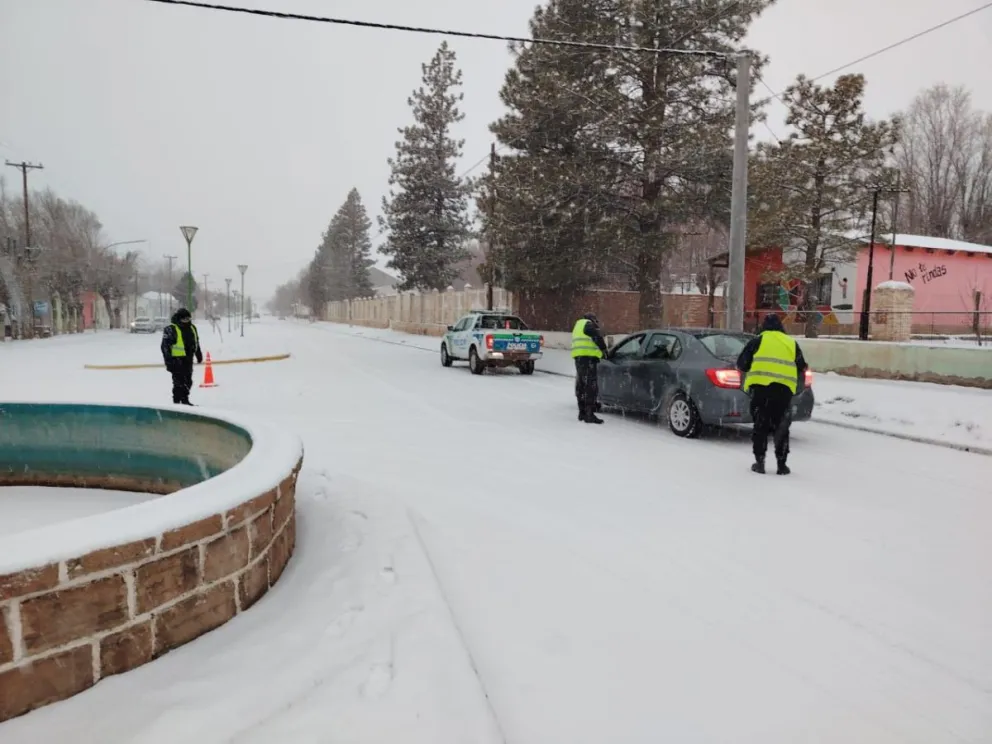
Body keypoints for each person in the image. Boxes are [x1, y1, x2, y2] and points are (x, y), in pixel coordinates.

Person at [736, 314, 807, 475]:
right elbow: (802, 366)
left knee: (760, 426)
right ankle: (782, 465)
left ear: (764, 326)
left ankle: (759, 462)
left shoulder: (757, 341)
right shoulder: (791, 343)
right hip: (783, 392)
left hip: (760, 390)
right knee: (781, 427)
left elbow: (742, 364)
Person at [571, 312, 609, 424]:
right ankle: (589, 414)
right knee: (591, 387)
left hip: (579, 358)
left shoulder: (578, 325)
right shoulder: (587, 324)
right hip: (588, 359)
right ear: (592, 320)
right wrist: (603, 349)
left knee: (582, 385)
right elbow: (596, 336)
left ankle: (582, 413)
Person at [161, 308, 203, 405]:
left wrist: (198, 354)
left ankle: (185, 400)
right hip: (176, 360)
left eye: (188, 319)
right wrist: (169, 362)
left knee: (188, 381)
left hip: (188, 359)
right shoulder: (171, 329)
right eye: (184, 319)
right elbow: (165, 347)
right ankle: (176, 401)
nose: (187, 321)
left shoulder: (192, 328)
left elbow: (196, 342)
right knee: (178, 383)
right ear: (179, 319)